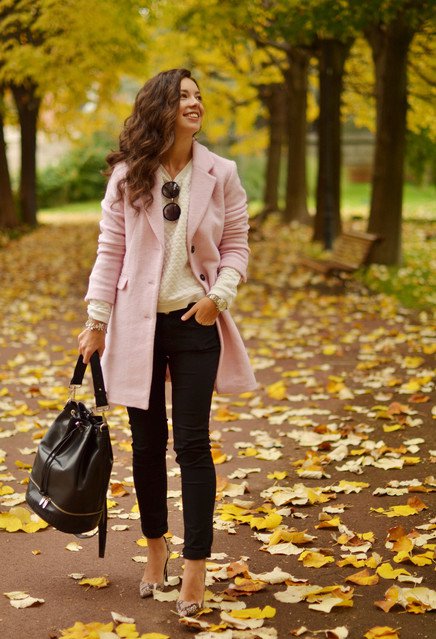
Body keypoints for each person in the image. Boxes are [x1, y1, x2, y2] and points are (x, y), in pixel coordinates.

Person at [78, 68, 257, 617]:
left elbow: (236, 244)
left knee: (193, 445)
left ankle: (197, 569)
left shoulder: (221, 172)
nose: (194, 103)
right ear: (160, 106)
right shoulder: (130, 176)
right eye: (183, 96)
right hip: (138, 326)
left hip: (195, 321)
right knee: (147, 444)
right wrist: (96, 320)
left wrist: (217, 298)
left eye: (198, 95)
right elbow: (111, 251)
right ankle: (156, 552)